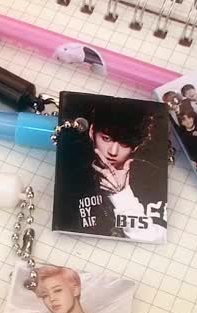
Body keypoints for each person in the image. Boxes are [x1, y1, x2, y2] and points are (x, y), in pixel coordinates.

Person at [59, 99, 167, 241]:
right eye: (106, 138)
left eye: (124, 143)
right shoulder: (70, 177)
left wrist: (121, 194)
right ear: (91, 132)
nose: (113, 151)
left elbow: (152, 239)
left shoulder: (153, 178)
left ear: (135, 146)